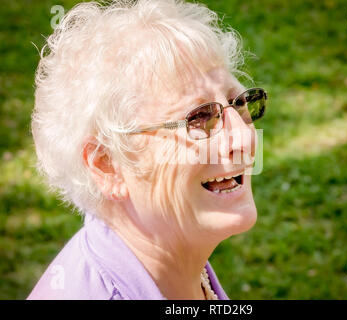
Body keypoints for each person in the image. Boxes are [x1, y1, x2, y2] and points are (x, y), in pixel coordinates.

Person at [28, 0, 267, 300]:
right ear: (107, 165)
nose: (243, 139)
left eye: (239, 103)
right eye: (200, 117)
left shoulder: (179, 269)